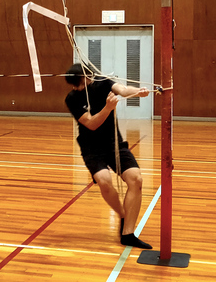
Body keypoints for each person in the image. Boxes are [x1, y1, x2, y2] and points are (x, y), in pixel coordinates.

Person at [64, 63, 153, 249]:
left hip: (114, 144)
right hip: (91, 148)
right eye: (75, 85)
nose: (77, 87)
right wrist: (107, 108)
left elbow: (123, 89)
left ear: (87, 77)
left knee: (136, 179)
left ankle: (128, 234)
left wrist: (139, 91)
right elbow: (91, 124)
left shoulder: (103, 83)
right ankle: (122, 215)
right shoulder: (72, 98)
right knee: (104, 180)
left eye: (79, 83)